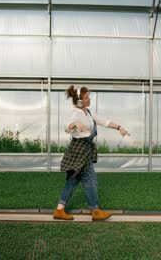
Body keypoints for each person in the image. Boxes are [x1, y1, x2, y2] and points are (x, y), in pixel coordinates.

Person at [53, 85, 129, 221]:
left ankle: (59, 210)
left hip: (85, 149)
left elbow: (104, 121)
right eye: (87, 98)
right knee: (90, 179)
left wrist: (119, 127)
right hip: (78, 150)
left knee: (73, 180)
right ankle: (95, 210)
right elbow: (67, 126)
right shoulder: (75, 113)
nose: (89, 99)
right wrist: (75, 123)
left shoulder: (88, 112)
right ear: (79, 101)